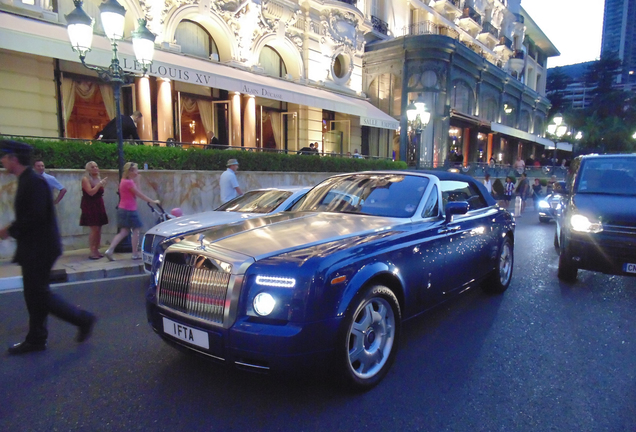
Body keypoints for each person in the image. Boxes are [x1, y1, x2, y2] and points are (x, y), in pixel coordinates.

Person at [0, 140, 96, 354]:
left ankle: (83, 319)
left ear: (14, 159)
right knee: (34, 294)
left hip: (40, 248)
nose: (2, 160)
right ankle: (36, 338)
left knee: (38, 295)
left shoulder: (33, 182)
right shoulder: (27, 180)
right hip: (35, 247)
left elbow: (34, 216)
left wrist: (7, 231)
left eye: (5, 156)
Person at [104, 162, 160, 261]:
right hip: (129, 209)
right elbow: (139, 194)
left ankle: (110, 250)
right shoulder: (128, 183)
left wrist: (137, 180)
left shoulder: (124, 181)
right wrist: (152, 201)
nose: (137, 172)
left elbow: (137, 191)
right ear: (130, 171)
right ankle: (134, 253)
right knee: (136, 230)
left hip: (123, 209)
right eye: (135, 170)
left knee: (124, 231)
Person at [80, 161, 109, 260]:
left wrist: (101, 184)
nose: (95, 168)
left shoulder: (98, 178)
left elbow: (99, 192)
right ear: (88, 169)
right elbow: (91, 192)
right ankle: (92, 251)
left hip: (98, 203)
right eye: (92, 167)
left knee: (99, 228)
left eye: (96, 166)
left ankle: (97, 249)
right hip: (90, 204)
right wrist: (99, 184)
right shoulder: (86, 179)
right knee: (94, 228)